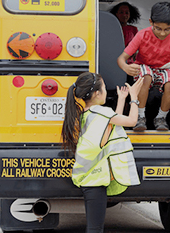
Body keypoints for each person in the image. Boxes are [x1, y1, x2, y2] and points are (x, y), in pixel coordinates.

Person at [61, 72, 143, 233]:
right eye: (104, 88)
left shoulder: (87, 114)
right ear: (97, 93)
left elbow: (112, 122)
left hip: (90, 178)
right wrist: (134, 97)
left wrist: (121, 99)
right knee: (95, 229)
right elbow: (132, 121)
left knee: (95, 227)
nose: (106, 91)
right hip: (94, 180)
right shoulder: (101, 112)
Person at [117, 1, 170, 131]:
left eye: (167, 29)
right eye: (158, 29)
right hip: (144, 67)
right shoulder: (142, 35)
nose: (162, 33)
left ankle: (161, 117)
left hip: (164, 69)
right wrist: (126, 67)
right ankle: (140, 116)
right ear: (151, 22)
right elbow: (122, 58)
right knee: (146, 76)